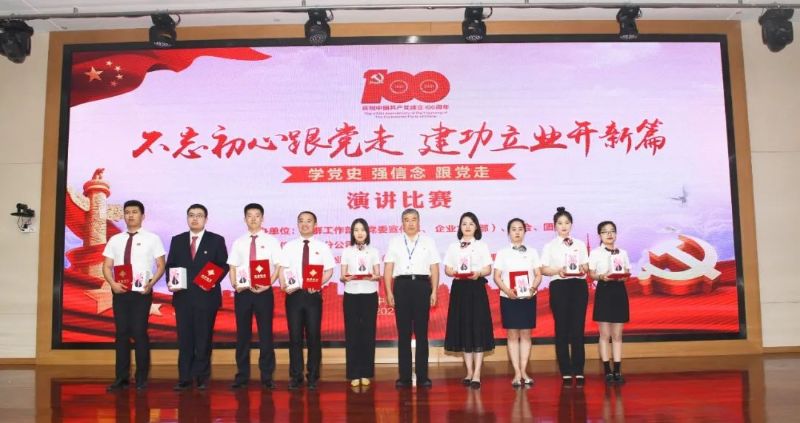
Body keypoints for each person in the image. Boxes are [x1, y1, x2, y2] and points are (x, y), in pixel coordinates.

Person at [101, 200, 166, 391]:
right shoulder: (115, 239)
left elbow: (161, 265)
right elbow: (106, 266)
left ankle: (141, 379)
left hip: (141, 292)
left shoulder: (152, 239)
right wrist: (113, 284)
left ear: (142, 216)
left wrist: (151, 284)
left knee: (139, 333)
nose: (130, 215)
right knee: (121, 334)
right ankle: (121, 378)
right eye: (127, 212)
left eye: (134, 212)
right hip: (120, 292)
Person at [166, 204, 229, 391]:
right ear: (187, 218)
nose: (195, 219)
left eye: (199, 215)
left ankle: (201, 377)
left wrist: (211, 280)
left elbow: (223, 265)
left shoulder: (216, 240)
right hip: (183, 297)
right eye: (191, 215)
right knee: (185, 339)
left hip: (206, 297)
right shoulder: (177, 240)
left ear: (206, 219)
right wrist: (171, 281)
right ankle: (184, 378)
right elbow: (171, 265)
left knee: (203, 338)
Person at [383, 208, 440, 388]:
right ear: (402, 223)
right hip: (402, 286)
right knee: (404, 334)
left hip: (422, 286)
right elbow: (388, 269)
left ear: (418, 222)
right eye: (406, 220)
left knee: (422, 333)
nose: (410, 223)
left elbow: (434, 268)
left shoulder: (429, 241)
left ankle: (423, 376)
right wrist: (389, 292)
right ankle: (404, 377)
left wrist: (434, 291)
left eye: (413, 219)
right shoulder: (394, 242)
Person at [227, 203, 282, 389]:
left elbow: (278, 266)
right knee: (242, 335)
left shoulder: (272, 241)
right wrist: (235, 284)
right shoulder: (239, 242)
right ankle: (242, 376)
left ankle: (267, 377)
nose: (253, 219)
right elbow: (232, 266)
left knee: (265, 334)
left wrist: (269, 283)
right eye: (249, 216)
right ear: (244, 219)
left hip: (264, 293)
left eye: (257, 215)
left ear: (262, 218)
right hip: (243, 293)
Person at [279, 211, 336, 390]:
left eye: (309, 221)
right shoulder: (289, 246)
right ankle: (296, 376)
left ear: (315, 224)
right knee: (295, 337)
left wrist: (318, 283)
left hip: (312, 296)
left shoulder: (322, 246)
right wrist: (284, 285)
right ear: (297, 224)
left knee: (313, 336)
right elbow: (282, 269)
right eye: (301, 221)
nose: (305, 224)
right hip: (294, 295)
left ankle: (313, 376)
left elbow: (329, 270)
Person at [443, 212, 495, 389]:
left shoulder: (481, 246)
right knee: (464, 328)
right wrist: (453, 272)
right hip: (460, 289)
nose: (467, 227)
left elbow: (488, 269)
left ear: (476, 227)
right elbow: (448, 269)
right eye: (464, 223)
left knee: (477, 328)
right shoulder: (453, 247)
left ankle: (477, 374)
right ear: (460, 227)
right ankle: (469, 372)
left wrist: (478, 273)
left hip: (476, 288)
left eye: (471, 224)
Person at [540, 207, 590, 387]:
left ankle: (579, 370)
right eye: (560, 223)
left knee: (578, 329)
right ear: (555, 226)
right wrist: (558, 270)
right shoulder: (550, 246)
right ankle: (566, 371)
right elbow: (543, 269)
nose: (564, 226)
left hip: (578, 286)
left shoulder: (580, 244)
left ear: (571, 225)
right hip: (559, 286)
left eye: (567, 223)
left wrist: (584, 268)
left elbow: (586, 266)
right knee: (561, 329)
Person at [493, 218, 543, 387]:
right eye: (513, 229)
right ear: (508, 233)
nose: (517, 232)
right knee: (513, 335)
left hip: (528, 297)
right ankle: (516, 373)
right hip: (509, 298)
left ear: (525, 232)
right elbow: (496, 276)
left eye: (520, 229)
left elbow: (538, 274)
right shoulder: (502, 253)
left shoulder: (533, 252)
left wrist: (533, 289)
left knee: (526, 334)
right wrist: (507, 291)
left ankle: (524, 371)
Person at [340, 218, 381, 387]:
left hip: (369, 294)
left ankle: (366, 372)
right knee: (352, 334)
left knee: (368, 333)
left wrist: (373, 276)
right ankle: (353, 373)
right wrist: (346, 277)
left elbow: (377, 274)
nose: (359, 233)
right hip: (351, 294)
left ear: (367, 232)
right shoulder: (346, 251)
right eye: (356, 230)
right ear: (352, 233)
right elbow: (342, 276)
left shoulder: (374, 251)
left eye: (362, 229)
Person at [588, 221, 631, 384]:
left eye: (612, 231)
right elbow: (591, 273)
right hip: (604, 290)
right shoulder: (595, 253)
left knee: (617, 335)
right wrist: (601, 276)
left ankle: (617, 370)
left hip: (619, 291)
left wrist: (624, 275)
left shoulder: (623, 253)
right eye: (605, 232)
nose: (609, 234)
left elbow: (627, 271)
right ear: (599, 235)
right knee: (605, 334)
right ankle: (607, 370)